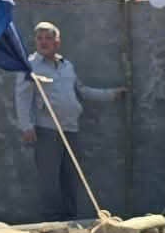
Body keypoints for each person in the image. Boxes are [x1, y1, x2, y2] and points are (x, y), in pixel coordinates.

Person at [14, 22, 119, 221]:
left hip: (71, 128)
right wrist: (26, 126)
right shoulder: (30, 66)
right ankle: (52, 220)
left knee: (71, 175)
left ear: (57, 42)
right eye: (39, 38)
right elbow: (22, 96)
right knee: (49, 177)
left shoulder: (66, 65)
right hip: (47, 129)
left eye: (48, 38)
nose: (43, 42)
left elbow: (82, 90)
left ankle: (70, 218)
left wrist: (111, 94)